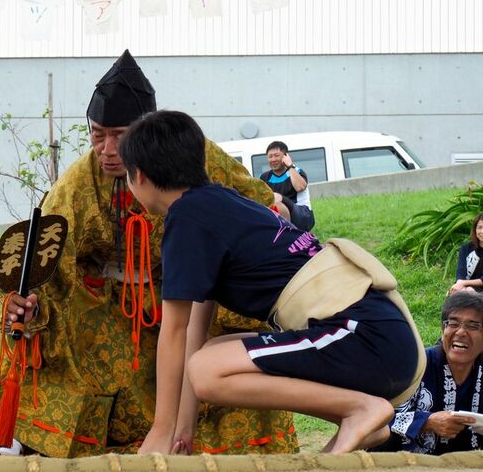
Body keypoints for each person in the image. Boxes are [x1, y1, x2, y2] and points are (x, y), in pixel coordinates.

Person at [0, 50, 297, 457]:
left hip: (193, 291)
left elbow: (253, 207)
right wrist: (25, 302)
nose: (108, 149)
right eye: (97, 135)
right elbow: (44, 257)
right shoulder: (76, 185)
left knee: (224, 348)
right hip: (108, 308)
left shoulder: (198, 156)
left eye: (120, 135)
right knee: (46, 333)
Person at [118, 110, 424, 455]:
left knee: (208, 369)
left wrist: (160, 430)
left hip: (364, 336)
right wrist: (181, 431)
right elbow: (192, 336)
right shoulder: (220, 204)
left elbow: (172, 331)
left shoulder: (187, 219)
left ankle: (360, 409)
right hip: (380, 337)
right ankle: (359, 417)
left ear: (137, 176)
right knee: (209, 356)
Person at [378, 292, 483, 454]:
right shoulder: (415, 365)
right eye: (453, 324)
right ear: (443, 329)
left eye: (472, 326)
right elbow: (376, 419)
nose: (461, 332)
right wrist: (426, 422)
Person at [259, 140, 315, 231]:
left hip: (303, 215)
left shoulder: (296, 171)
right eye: (270, 157)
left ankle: (287, 234)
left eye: (276, 156)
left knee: (275, 198)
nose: (273, 159)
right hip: (277, 214)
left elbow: (300, 187)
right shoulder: (264, 177)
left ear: (285, 156)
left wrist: (290, 166)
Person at [451, 214, 483, 295]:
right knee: (456, 293)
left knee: (469, 293)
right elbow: (461, 270)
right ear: (475, 230)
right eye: (479, 227)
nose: (482, 231)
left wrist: (463, 284)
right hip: (466, 285)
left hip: (478, 286)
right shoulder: (466, 248)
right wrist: (459, 283)